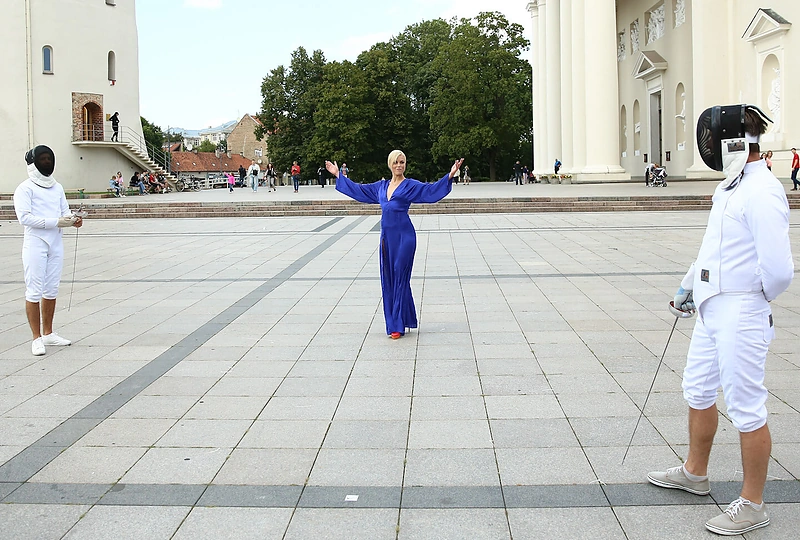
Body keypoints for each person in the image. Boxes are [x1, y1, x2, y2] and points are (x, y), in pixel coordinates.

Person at [648, 105, 793, 536]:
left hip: (741, 310)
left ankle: (752, 502)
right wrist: (689, 284)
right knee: (697, 387)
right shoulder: (729, 187)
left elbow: (780, 271)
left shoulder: (763, 190)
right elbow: (712, 247)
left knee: (746, 406)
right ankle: (696, 473)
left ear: (733, 142)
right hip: (711, 306)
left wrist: (747, 300)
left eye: (712, 139)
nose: (707, 147)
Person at [327, 151, 463, 339]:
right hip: (387, 239)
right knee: (390, 278)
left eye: (402, 162)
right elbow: (359, 190)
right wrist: (338, 175)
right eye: (396, 162)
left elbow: (430, 191)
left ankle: (397, 325)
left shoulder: (410, 186)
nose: (399, 165)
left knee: (400, 274)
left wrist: (449, 175)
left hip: (405, 236)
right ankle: (399, 320)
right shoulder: (381, 187)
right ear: (390, 164)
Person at [13, 145, 83, 356]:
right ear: (34, 162)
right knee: (34, 290)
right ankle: (36, 338)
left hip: (56, 243)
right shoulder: (24, 189)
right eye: (42, 159)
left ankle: (48, 333)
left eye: (49, 159)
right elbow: (24, 218)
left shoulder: (57, 187)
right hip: (35, 242)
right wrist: (56, 221)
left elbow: (64, 212)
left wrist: (73, 219)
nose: (46, 162)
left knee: (51, 289)